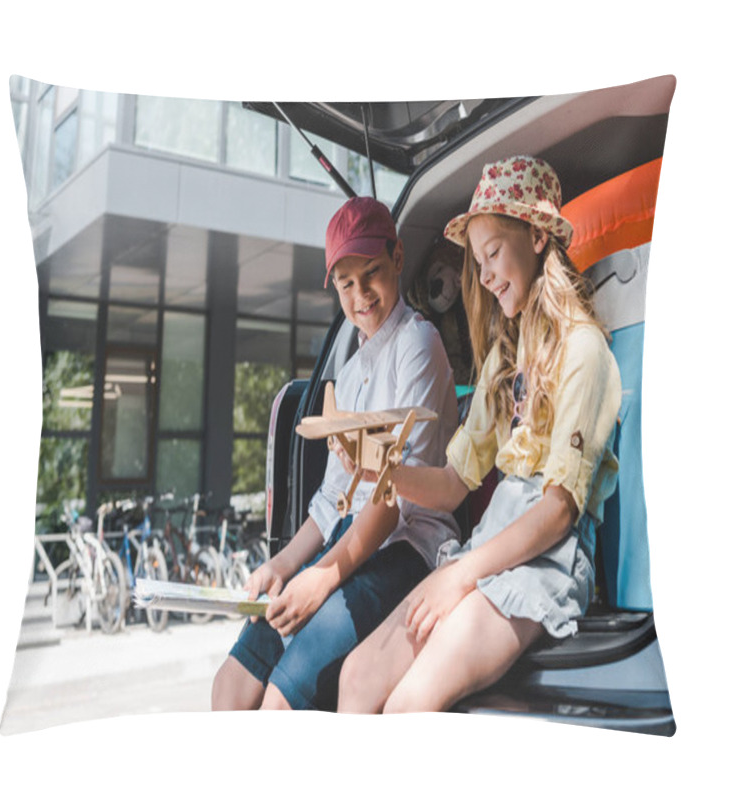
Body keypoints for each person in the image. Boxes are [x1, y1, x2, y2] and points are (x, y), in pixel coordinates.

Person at [337, 156, 622, 713]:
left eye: (493, 254)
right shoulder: (502, 360)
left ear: (538, 237)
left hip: (546, 560)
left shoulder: (585, 352)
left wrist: (461, 575)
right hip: (486, 548)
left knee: (407, 705)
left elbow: (560, 511)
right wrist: (382, 468)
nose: (485, 275)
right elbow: (451, 484)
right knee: (357, 675)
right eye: (478, 261)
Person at [211, 196, 460, 711]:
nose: (360, 294)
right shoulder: (346, 377)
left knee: (280, 701)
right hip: (351, 541)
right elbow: (331, 500)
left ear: (398, 257)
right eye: (346, 283)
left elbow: (393, 493)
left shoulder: (419, 342)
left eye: (370, 273)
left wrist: (322, 577)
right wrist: (281, 566)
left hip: (408, 548)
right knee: (230, 685)